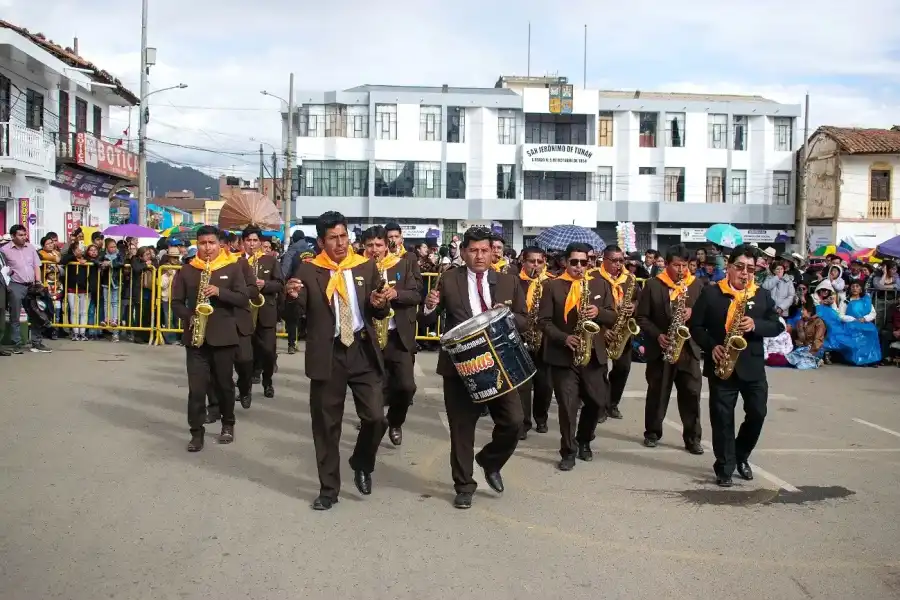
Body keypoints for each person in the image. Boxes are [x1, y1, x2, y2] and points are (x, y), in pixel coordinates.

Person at [284, 211, 391, 511]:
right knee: (326, 426)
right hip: (327, 354)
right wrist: (291, 297)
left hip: (361, 350)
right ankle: (328, 489)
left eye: (344, 236)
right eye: (333, 238)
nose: (341, 243)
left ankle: (361, 461)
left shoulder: (365, 267)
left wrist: (380, 304)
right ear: (321, 241)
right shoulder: (308, 271)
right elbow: (293, 316)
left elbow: (377, 310)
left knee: (376, 418)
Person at [421, 226, 527, 509]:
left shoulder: (508, 282)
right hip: (460, 366)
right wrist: (430, 306)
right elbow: (430, 322)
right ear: (464, 252)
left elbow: (526, 320)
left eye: (485, 250)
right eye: (473, 251)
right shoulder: (448, 279)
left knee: (514, 421)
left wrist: (506, 316)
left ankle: (490, 460)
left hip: (498, 366)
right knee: (461, 428)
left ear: (493, 252)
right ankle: (464, 485)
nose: (480, 256)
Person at [688, 243, 783, 487]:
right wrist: (712, 346)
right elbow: (696, 327)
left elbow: (777, 325)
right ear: (729, 268)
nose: (745, 273)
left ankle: (741, 456)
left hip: (752, 367)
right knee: (722, 419)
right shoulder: (711, 293)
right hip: (722, 364)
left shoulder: (761, 295)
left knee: (758, 414)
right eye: (740, 267)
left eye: (750, 269)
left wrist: (756, 325)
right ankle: (725, 466)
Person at [538, 242, 617, 472]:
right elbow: (543, 321)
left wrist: (598, 312)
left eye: (585, 262)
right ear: (565, 262)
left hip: (593, 355)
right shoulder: (552, 286)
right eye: (575, 262)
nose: (580, 267)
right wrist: (564, 338)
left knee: (598, 402)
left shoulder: (600, 283)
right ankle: (568, 451)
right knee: (568, 405)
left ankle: (584, 439)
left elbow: (613, 316)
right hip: (563, 357)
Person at [170, 225, 249, 452]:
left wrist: (219, 292)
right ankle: (196, 433)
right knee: (196, 389)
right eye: (203, 243)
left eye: (211, 243)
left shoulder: (232, 268)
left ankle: (228, 424)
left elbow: (244, 299)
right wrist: (189, 316)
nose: (207, 248)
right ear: (198, 244)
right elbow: (176, 303)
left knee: (224, 385)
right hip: (196, 339)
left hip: (223, 337)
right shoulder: (187, 270)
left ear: (219, 244)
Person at [635, 244, 705, 454]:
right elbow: (642, 318)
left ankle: (692, 438)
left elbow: (706, 317)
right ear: (666, 265)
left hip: (688, 349)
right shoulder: (653, 285)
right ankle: (652, 433)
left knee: (692, 394)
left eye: (685, 265)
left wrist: (693, 312)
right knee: (657, 392)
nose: (682, 270)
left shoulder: (697, 285)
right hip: (661, 349)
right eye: (677, 265)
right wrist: (658, 335)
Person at [360, 226, 421, 446]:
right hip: (369, 338)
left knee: (406, 386)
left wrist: (396, 293)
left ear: (387, 245)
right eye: (369, 245)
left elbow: (416, 294)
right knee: (372, 388)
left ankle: (395, 421)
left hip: (397, 335)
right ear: (363, 247)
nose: (374, 249)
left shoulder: (402, 265)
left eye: (378, 245)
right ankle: (371, 425)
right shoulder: (358, 267)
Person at [594, 244, 639, 420]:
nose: (619, 264)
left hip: (622, 330)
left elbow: (638, 300)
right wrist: (602, 330)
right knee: (599, 371)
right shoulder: (593, 277)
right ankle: (598, 407)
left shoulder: (630, 279)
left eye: (621, 260)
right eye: (614, 260)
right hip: (601, 330)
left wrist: (633, 306)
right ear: (604, 260)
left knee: (623, 368)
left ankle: (612, 404)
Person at [239, 225, 284, 399]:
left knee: (268, 351)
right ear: (243, 242)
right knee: (245, 354)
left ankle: (268, 382)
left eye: (255, 240)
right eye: (248, 240)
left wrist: (264, 284)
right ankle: (246, 388)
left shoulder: (270, 261)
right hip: (244, 312)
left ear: (260, 242)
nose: (251, 244)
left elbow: (280, 284)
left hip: (266, 312)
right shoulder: (237, 262)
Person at [516, 246, 554, 438]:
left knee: (545, 384)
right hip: (521, 337)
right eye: (532, 261)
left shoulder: (551, 283)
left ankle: (541, 417)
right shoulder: (516, 281)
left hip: (544, 339)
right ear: (524, 261)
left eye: (540, 262)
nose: (536, 266)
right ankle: (524, 422)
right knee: (523, 384)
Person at [1, 225, 50, 353]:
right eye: (20, 235)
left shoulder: (31, 248)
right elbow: (4, 270)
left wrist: (38, 282)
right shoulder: (5, 250)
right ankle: (17, 343)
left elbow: (36, 266)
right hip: (15, 285)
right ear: (12, 236)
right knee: (15, 316)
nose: (24, 237)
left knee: (36, 314)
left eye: (24, 234)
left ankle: (36, 342)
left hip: (32, 286)